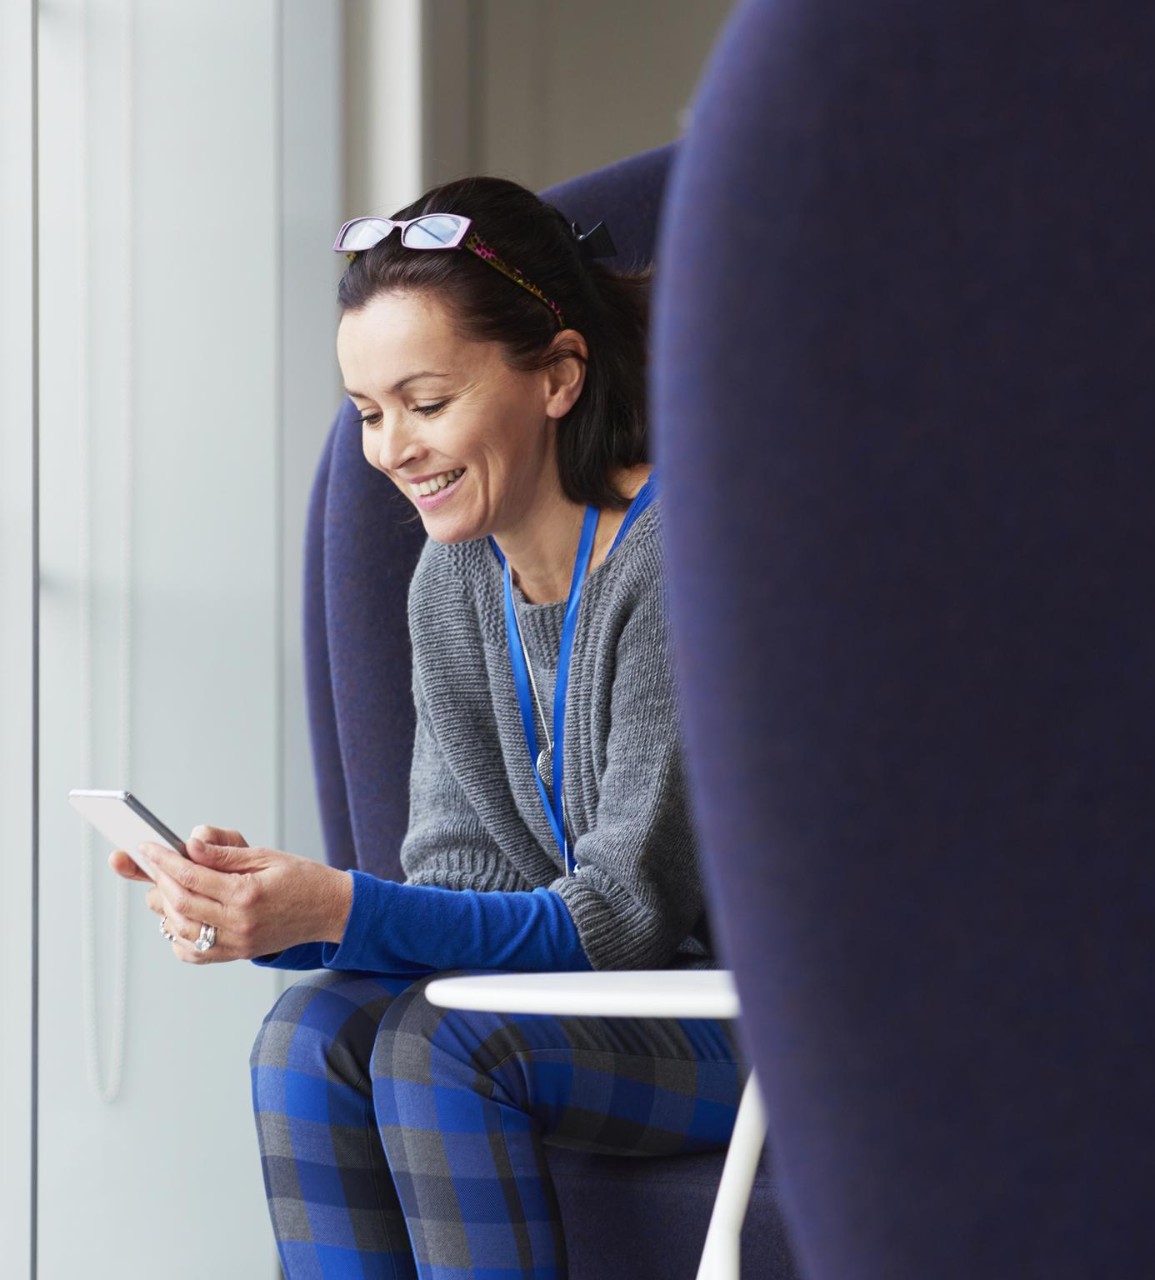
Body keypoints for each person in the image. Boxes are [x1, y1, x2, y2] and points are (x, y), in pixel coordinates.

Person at [108, 175, 745, 1278]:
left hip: (757, 1026)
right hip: (582, 1016)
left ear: (556, 374)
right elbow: (462, 882)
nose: (391, 447)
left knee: (441, 1045)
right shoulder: (452, 579)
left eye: (425, 401)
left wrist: (337, 904)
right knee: (306, 1037)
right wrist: (279, 915)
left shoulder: (677, 554)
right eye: (367, 412)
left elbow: (623, 922)